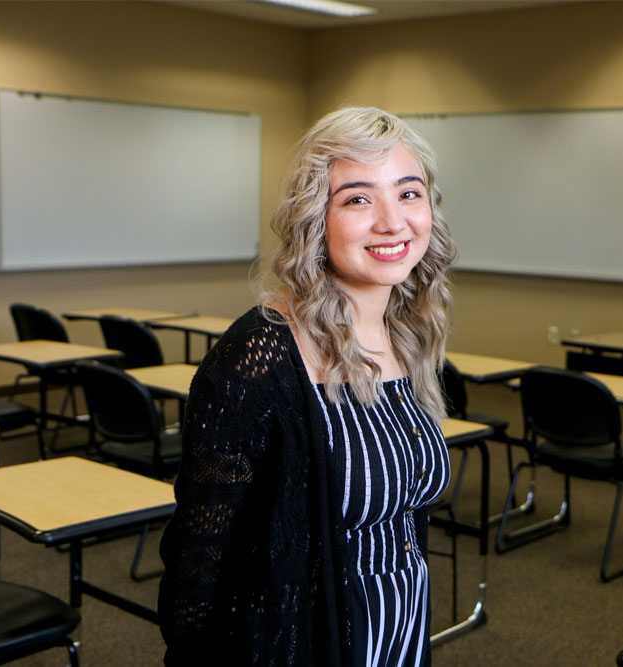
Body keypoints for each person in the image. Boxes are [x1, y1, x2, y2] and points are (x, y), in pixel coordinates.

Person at [158, 106, 457, 666]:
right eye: (358, 199)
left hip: (399, 622)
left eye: (409, 194)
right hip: (302, 640)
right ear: (313, 218)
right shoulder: (261, 356)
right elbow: (201, 555)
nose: (392, 222)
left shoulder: (407, 334)